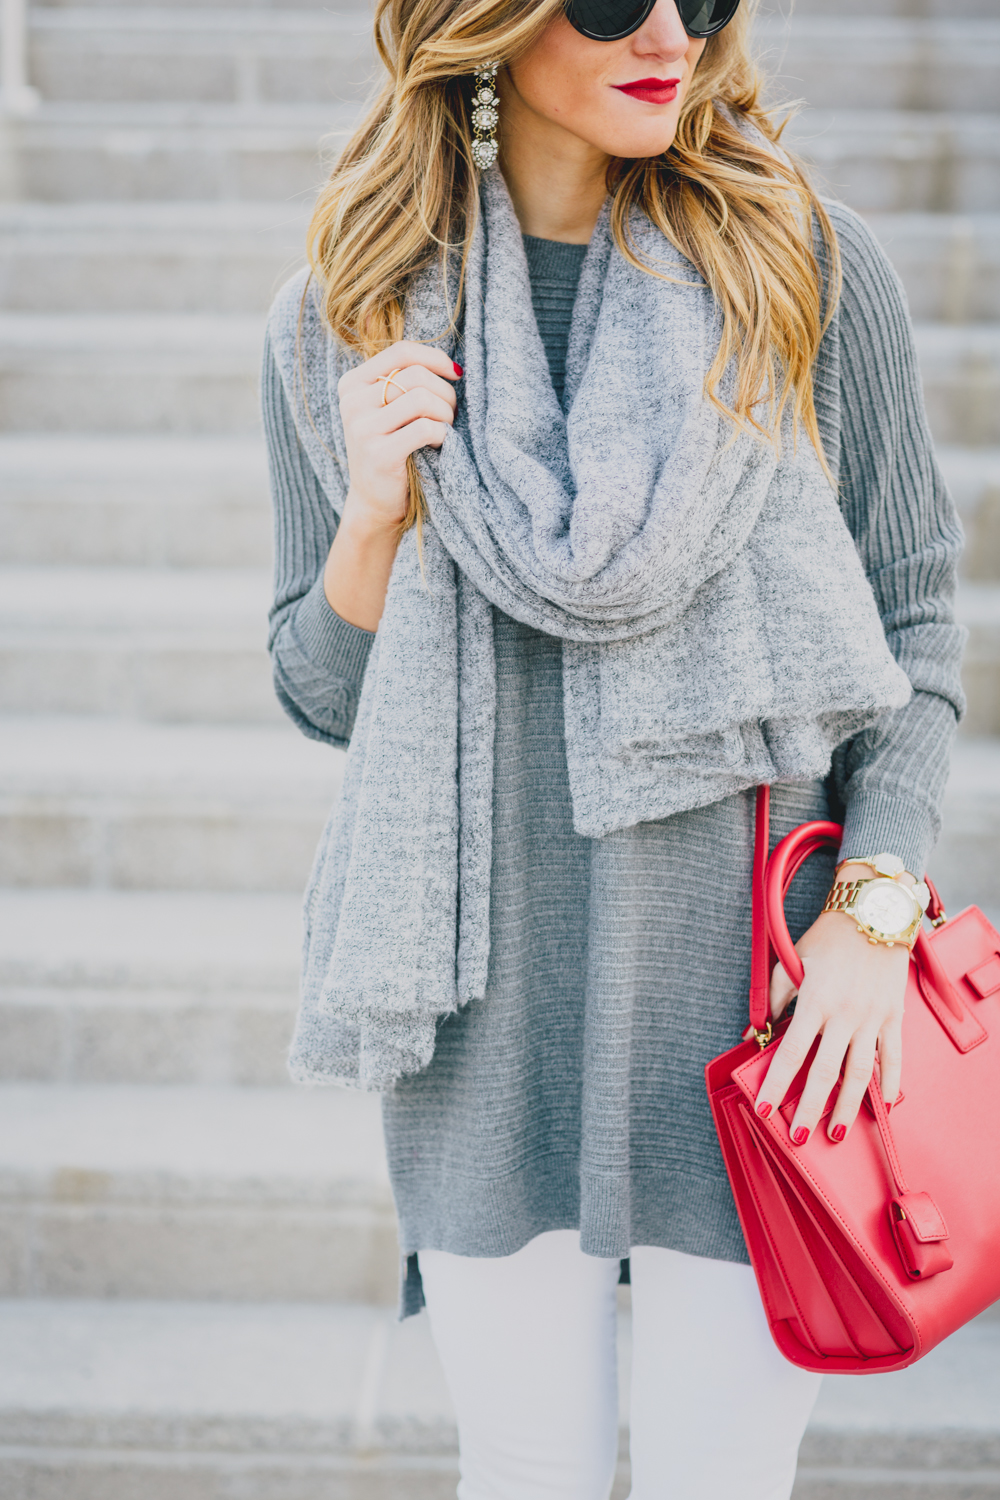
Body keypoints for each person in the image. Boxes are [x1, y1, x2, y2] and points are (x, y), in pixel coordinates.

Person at [262, 0, 965, 1493]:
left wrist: (876, 913)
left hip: (762, 1016)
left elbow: (915, 634)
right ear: (483, 25)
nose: (667, 32)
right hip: (488, 1023)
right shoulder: (349, 313)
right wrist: (374, 518)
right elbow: (320, 692)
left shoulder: (808, 272)